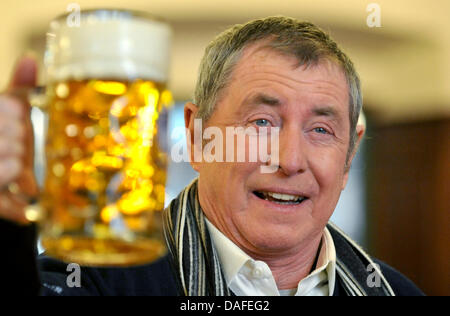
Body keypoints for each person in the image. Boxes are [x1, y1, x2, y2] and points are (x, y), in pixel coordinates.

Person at [0, 16, 423, 296]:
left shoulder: (395, 291)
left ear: (349, 156)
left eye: (320, 130)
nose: (291, 160)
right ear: (197, 136)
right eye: (261, 122)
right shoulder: (94, 278)